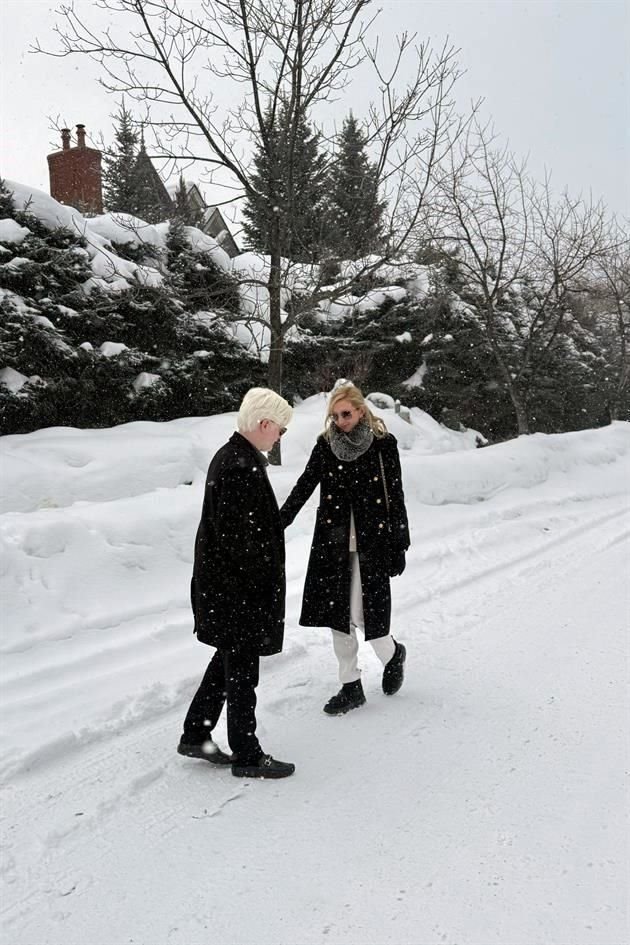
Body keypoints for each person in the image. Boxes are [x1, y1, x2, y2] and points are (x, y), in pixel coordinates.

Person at [178, 387, 296, 779]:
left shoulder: (236, 457)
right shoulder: (239, 466)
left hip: (226, 589)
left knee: (228, 660)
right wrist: (260, 587)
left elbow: (246, 532)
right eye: (279, 429)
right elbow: (241, 542)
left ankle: (196, 733)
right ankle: (246, 752)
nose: (280, 436)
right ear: (263, 424)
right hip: (237, 592)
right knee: (243, 671)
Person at [280, 382, 410, 715]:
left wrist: (400, 542)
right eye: (335, 416)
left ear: (361, 411)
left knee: (365, 615)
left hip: (373, 543)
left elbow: (395, 495)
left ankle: (392, 654)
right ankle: (350, 686)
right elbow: (305, 485)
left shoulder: (383, 445)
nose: (341, 421)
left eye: (346, 414)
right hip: (333, 544)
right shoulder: (326, 446)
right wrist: (279, 521)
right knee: (340, 618)